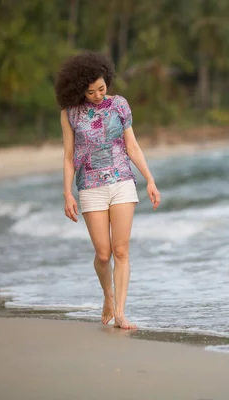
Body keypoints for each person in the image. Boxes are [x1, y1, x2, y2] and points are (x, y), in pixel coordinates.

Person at [54, 51, 161, 329]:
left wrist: (149, 179)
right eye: (91, 92)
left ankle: (122, 313)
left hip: (122, 181)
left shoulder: (120, 105)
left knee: (121, 250)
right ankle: (108, 296)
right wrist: (67, 193)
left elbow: (132, 145)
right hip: (90, 186)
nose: (99, 95)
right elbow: (68, 156)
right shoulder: (70, 114)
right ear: (80, 91)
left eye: (102, 88)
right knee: (103, 254)